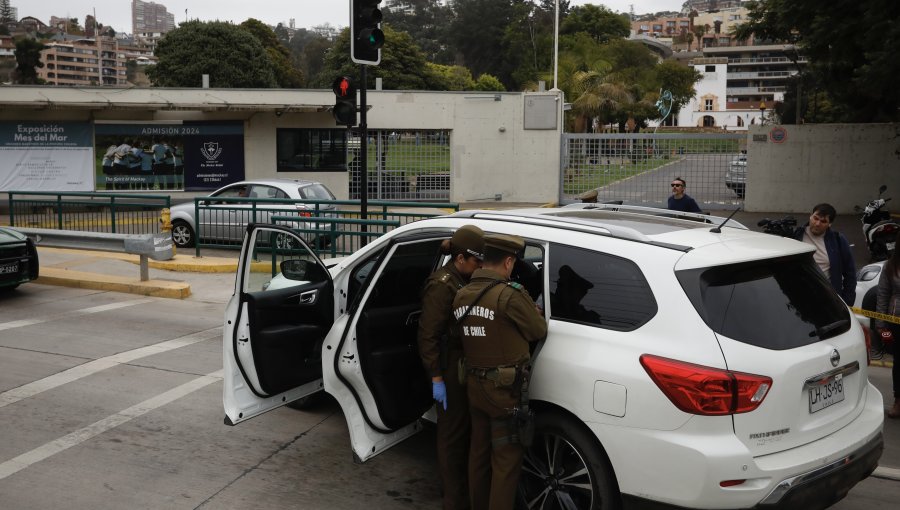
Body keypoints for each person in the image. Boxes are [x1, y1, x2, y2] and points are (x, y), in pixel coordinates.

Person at [453, 234, 547, 510]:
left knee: (479, 456)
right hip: (505, 393)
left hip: (474, 386)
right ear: (508, 262)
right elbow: (538, 330)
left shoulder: (461, 294)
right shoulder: (509, 295)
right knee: (506, 462)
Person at [417, 225, 485, 510]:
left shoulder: (464, 278)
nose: (480, 265)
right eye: (475, 260)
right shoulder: (443, 285)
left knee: (466, 434)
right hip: (449, 369)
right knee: (451, 438)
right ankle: (453, 501)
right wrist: (436, 377)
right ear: (460, 259)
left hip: (465, 365)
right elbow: (428, 335)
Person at [792, 203, 856, 304]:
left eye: (823, 221)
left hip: (827, 299)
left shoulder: (838, 240)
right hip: (798, 295)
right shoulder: (796, 235)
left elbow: (850, 273)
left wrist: (847, 300)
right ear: (810, 215)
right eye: (815, 218)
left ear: (830, 224)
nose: (817, 223)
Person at [874, 231, 900, 418]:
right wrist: (881, 325)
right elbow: (882, 295)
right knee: (899, 363)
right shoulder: (891, 266)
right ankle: (898, 400)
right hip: (895, 323)